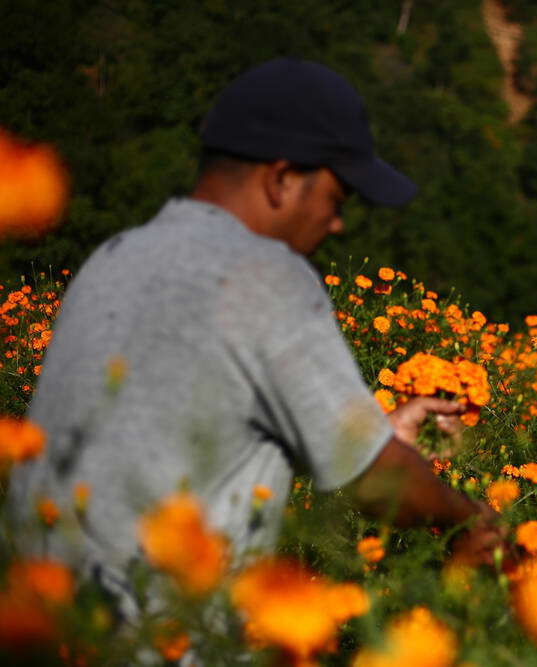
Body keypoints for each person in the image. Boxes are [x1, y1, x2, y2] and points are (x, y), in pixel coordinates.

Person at [4, 58, 501, 614]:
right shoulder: (263, 274)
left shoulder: (114, 258)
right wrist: (470, 518)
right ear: (282, 179)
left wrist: (380, 435)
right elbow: (380, 485)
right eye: (336, 200)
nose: (337, 224)